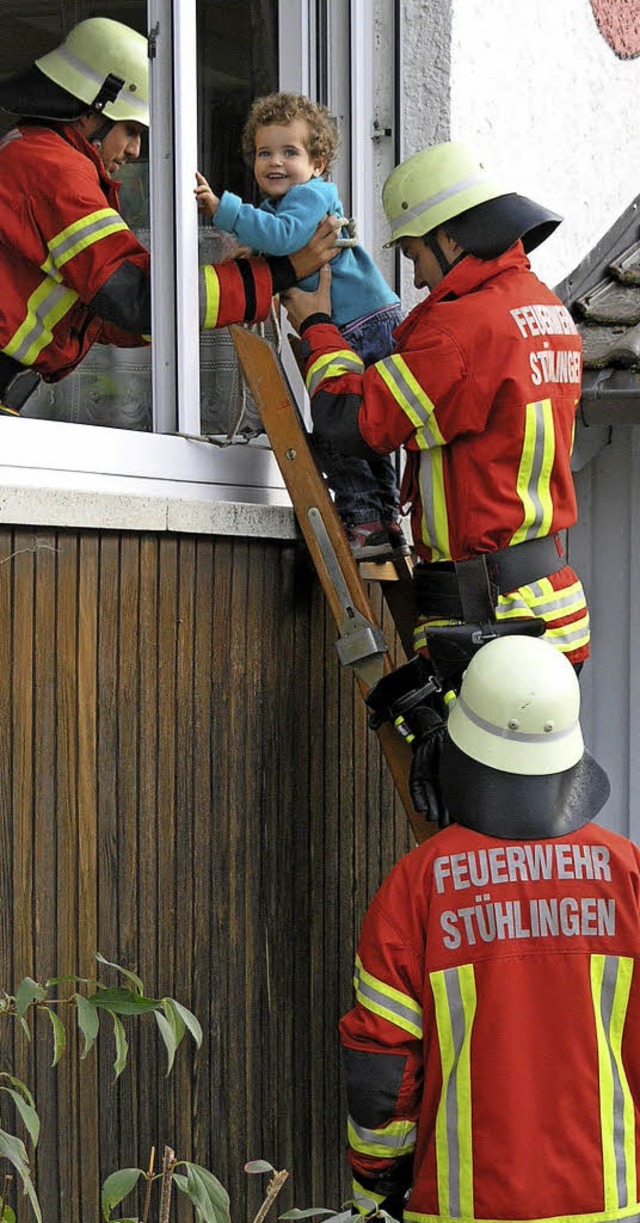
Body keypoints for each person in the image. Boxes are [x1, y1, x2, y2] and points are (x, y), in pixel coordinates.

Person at [336, 632, 640, 1223]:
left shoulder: (417, 885)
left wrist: (377, 1194)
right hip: (612, 1203)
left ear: (461, 743)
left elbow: (381, 1070)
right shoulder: (627, 875)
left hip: (460, 1207)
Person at [282, 140, 590, 666]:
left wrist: (316, 325)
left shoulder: (463, 327)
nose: (419, 278)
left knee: (461, 752)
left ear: (450, 236)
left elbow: (351, 422)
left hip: (489, 619)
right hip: (548, 605)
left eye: (414, 254)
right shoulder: (544, 310)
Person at [0, 21, 339, 418]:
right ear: (93, 110)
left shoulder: (35, 157)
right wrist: (280, 272)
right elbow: (136, 299)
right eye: (130, 129)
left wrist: (234, 288)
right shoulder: (56, 172)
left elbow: (107, 316)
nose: (134, 150)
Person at [194, 91, 407, 561]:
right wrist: (257, 251)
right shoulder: (293, 203)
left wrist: (221, 209)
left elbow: (287, 237)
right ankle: (386, 521)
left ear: (319, 161)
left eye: (290, 152)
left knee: (339, 430)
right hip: (373, 320)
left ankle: (366, 522)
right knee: (368, 431)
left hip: (358, 326)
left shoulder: (311, 196)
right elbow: (282, 240)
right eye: (265, 152)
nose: (275, 162)